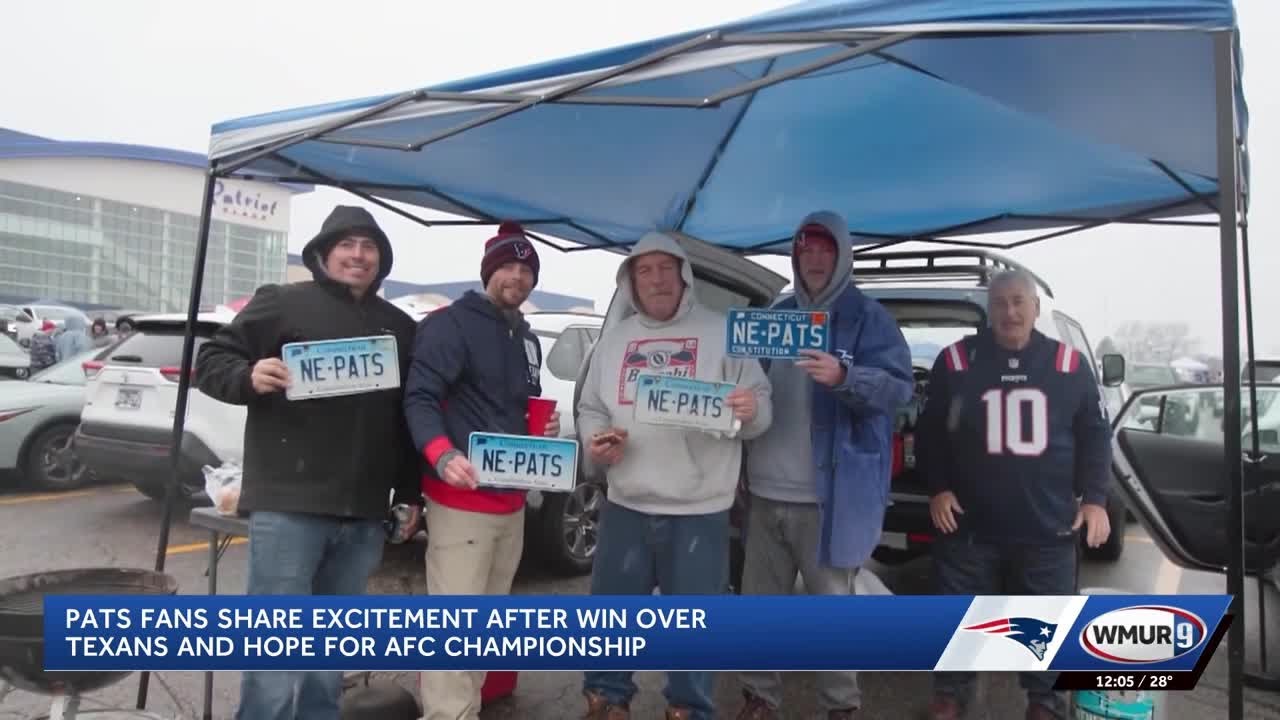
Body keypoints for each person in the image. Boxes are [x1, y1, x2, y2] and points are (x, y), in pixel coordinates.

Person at [195, 205, 422, 720]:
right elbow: (211, 361)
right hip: (288, 506)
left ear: (381, 261)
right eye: (347, 245)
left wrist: (408, 493)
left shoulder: (400, 327)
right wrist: (249, 376)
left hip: (363, 513)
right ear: (323, 253)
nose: (358, 255)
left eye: (370, 248)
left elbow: (406, 417)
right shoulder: (282, 303)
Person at [575, 231, 773, 720]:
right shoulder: (614, 340)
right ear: (631, 281)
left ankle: (688, 708)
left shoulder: (725, 331)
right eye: (645, 270)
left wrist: (751, 409)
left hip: (699, 509)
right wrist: (596, 438)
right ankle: (606, 699)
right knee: (611, 618)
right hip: (626, 503)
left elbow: (761, 408)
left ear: (683, 274)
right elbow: (590, 406)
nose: (657, 279)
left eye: (666, 268)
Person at [735, 212, 913, 720]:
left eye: (824, 249)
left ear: (841, 255)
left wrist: (845, 376)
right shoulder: (777, 312)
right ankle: (758, 697)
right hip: (765, 491)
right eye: (805, 249)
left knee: (831, 615)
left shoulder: (868, 317)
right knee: (759, 609)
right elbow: (746, 380)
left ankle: (840, 706)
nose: (814, 258)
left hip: (828, 499)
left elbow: (898, 389)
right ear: (795, 256)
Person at [916, 270, 1112, 720]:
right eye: (1001, 303)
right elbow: (929, 435)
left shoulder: (1068, 364)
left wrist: (1095, 499)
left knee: (1044, 627)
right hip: (969, 528)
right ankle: (950, 695)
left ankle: (1044, 703)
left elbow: (1096, 436)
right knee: (959, 621)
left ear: (1036, 307)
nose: (1010, 312)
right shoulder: (957, 361)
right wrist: (938, 487)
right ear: (989, 309)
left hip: (1047, 529)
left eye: (1019, 301)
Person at [403, 222, 560, 720]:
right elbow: (420, 397)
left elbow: (512, 409)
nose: (517, 277)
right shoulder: (451, 324)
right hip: (461, 502)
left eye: (526, 269)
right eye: (508, 267)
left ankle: (467, 707)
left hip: (510, 502)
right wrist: (442, 453)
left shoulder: (524, 336)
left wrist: (543, 427)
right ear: (489, 270)